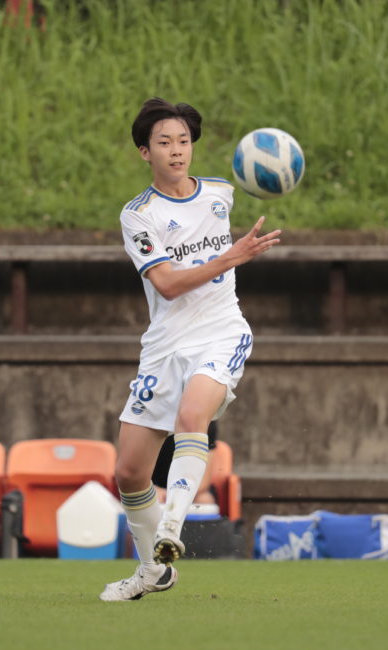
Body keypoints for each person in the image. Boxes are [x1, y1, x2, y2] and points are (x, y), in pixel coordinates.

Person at [99, 98, 280, 602]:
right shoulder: (139, 216)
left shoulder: (221, 193)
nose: (177, 150)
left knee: (192, 416)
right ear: (145, 152)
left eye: (183, 141)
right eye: (164, 143)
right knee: (129, 472)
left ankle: (172, 526)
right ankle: (153, 571)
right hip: (164, 346)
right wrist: (231, 257)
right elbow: (168, 284)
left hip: (221, 332)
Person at [152, 422, 219, 508]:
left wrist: (176, 494)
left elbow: (203, 482)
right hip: (154, 485)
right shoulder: (151, 418)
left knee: (204, 499)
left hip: (191, 487)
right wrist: (152, 488)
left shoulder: (207, 421)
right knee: (154, 498)